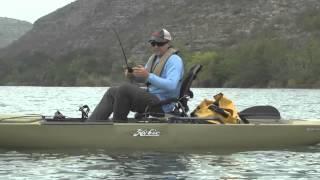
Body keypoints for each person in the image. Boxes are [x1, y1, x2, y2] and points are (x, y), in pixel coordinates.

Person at [88, 28, 184, 122]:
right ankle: (92, 124)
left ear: (168, 43)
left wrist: (148, 76)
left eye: (160, 44)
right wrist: (133, 76)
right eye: (153, 43)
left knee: (124, 89)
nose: (156, 47)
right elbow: (145, 79)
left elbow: (172, 85)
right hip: (151, 98)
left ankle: (118, 125)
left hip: (162, 104)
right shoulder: (154, 59)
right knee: (112, 91)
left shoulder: (174, 60)